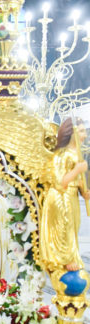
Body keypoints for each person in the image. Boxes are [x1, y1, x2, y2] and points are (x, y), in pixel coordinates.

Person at [40, 117, 90, 275]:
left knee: (73, 228)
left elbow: (78, 181)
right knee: (65, 227)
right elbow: (59, 182)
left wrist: (84, 191)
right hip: (61, 196)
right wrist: (77, 170)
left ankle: (71, 256)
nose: (85, 135)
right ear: (73, 133)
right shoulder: (62, 154)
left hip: (72, 195)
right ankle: (66, 258)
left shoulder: (77, 154)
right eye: (81, 131)